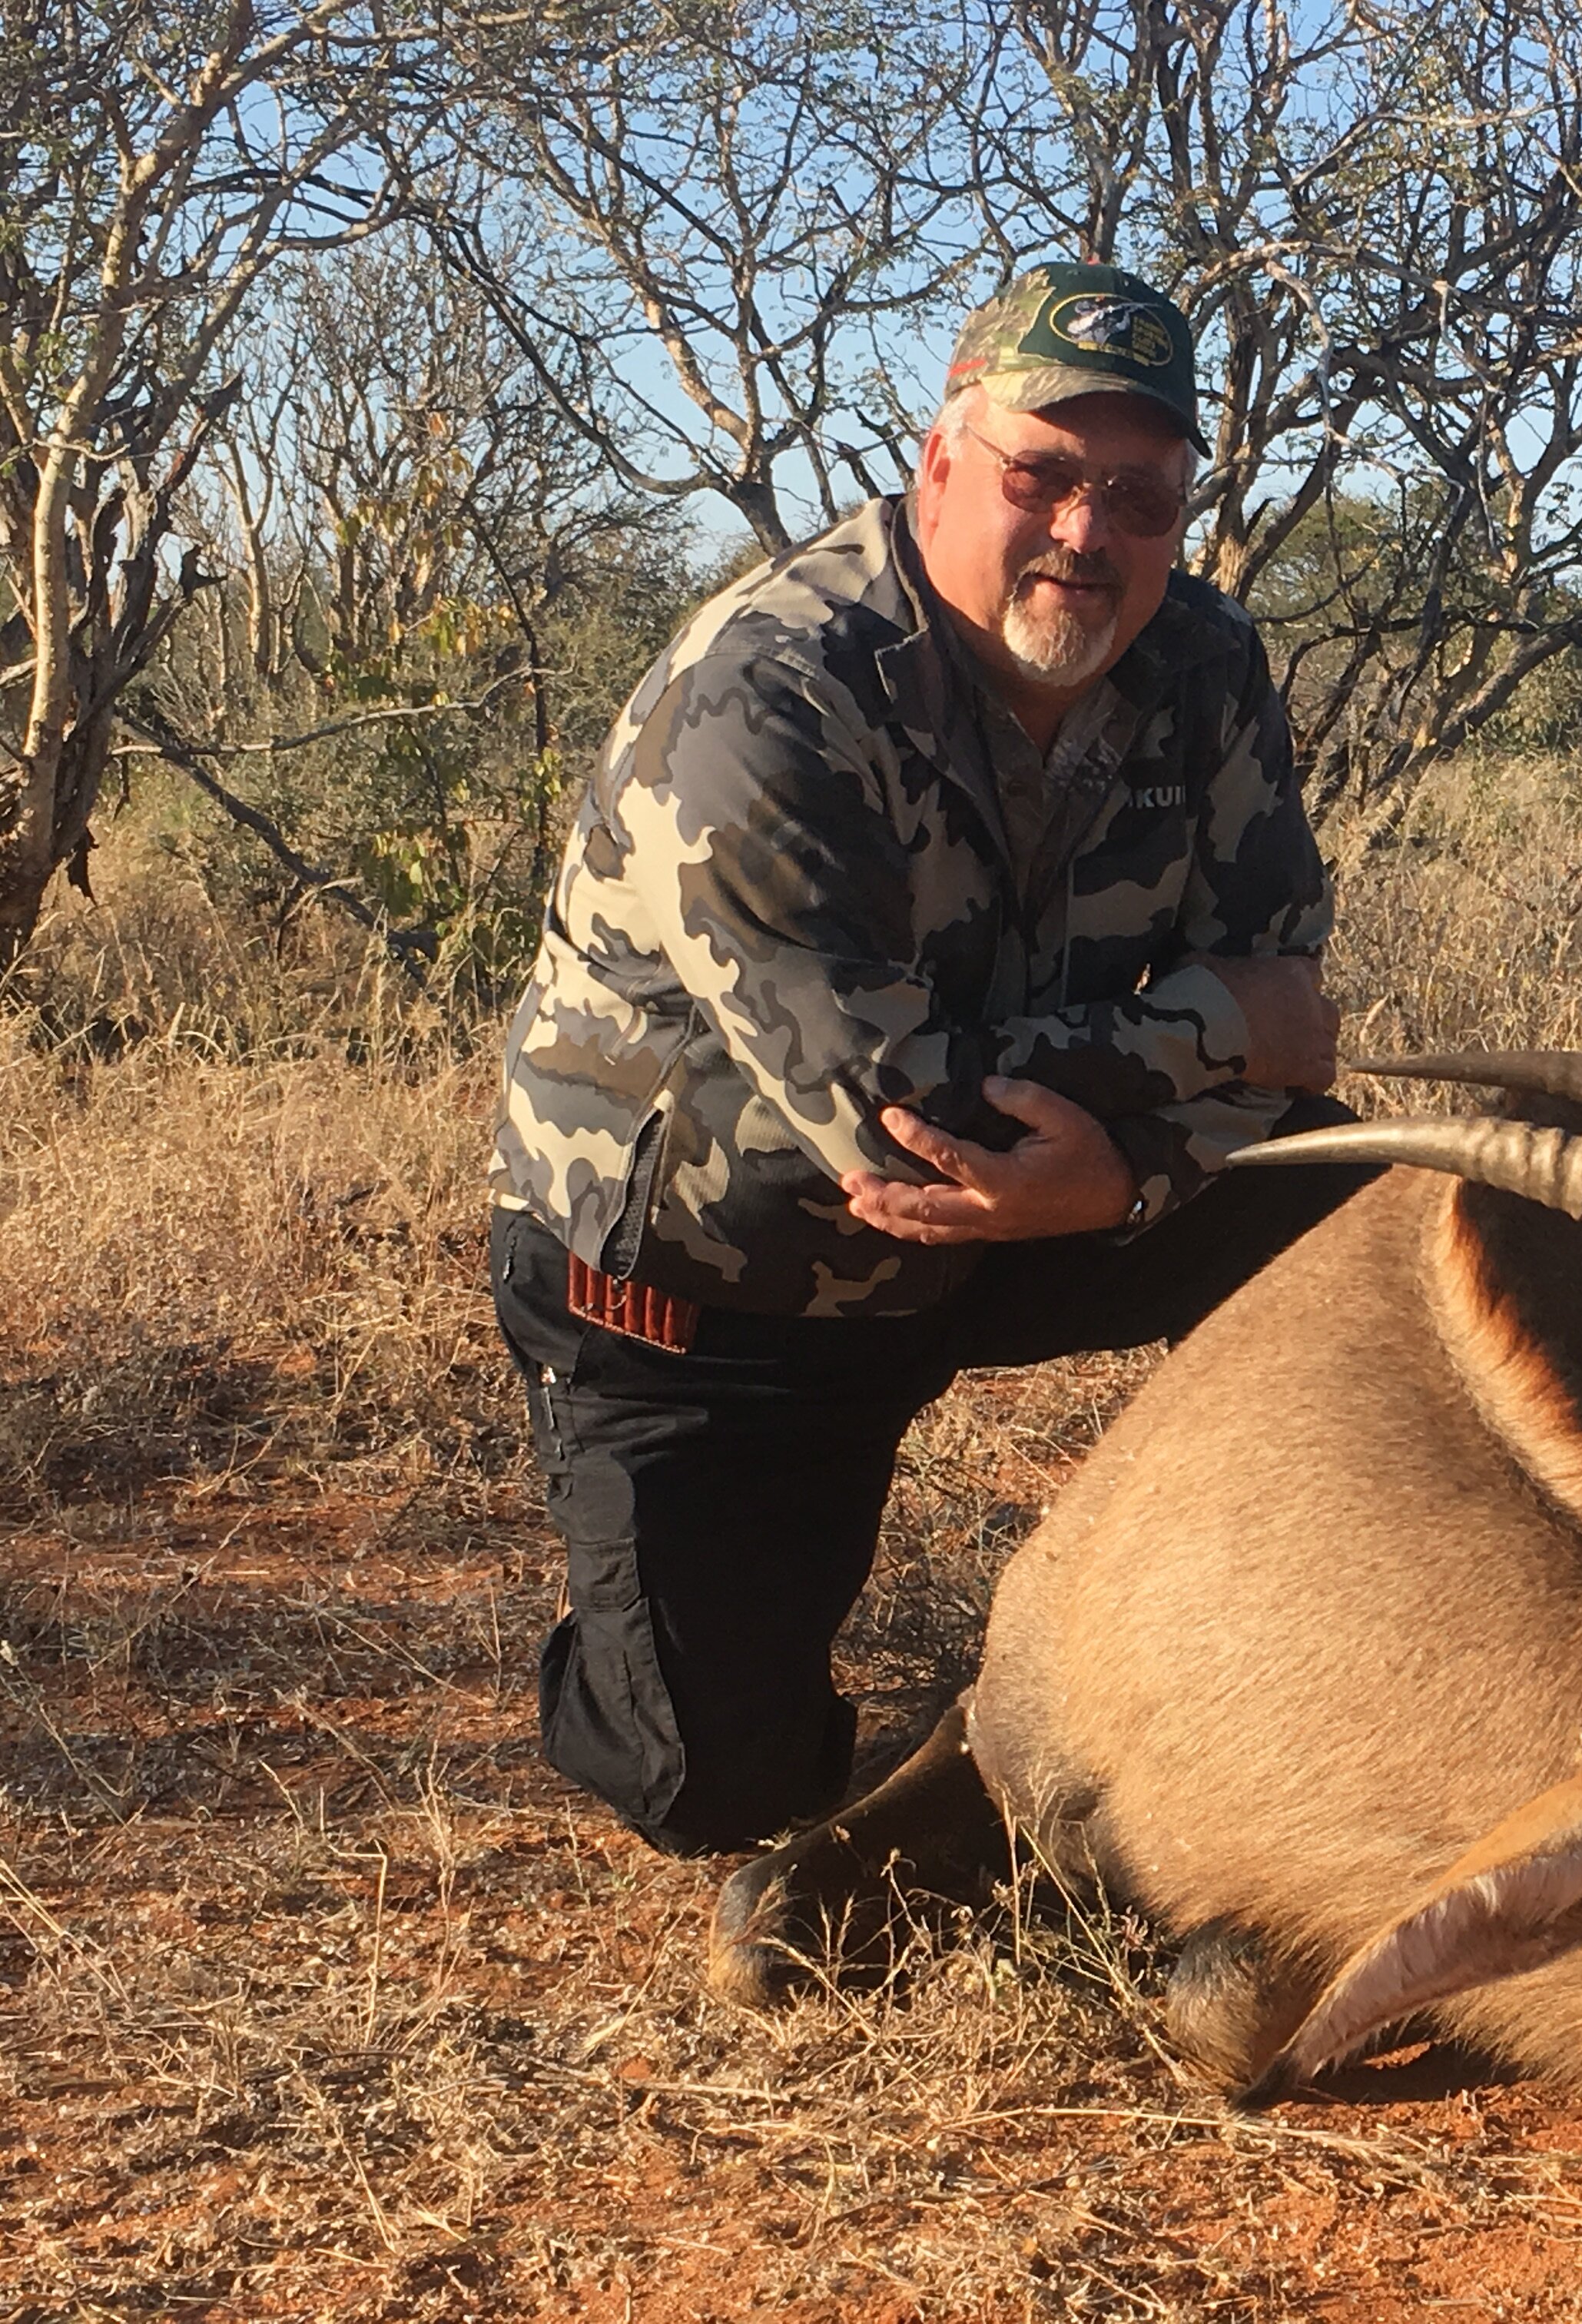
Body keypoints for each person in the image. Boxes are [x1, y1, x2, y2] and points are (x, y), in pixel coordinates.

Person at [488, 262, 1365, 1857]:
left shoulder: (1203, 665)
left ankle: (1327, 1653)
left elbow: (1292, 1022)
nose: (1088, 535)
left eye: (1143, 500)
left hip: (1019, 1222)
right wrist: (1208, 1052)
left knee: (1365, 1199)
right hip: (709, 1295)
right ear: (943, 460)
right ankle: (633, 1622)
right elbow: (911, 1133)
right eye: (1043, 474)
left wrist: (1137, 1173)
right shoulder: (770, 695)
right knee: (719, 1788)